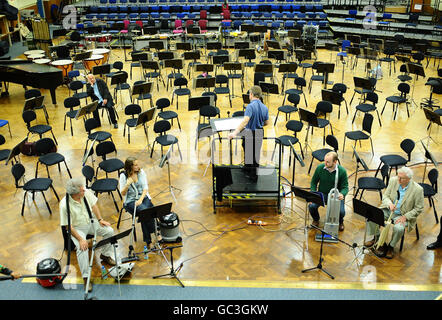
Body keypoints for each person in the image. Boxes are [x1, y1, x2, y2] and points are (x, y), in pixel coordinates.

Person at [59, 178, 117, 292]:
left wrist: (100, 219)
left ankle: (105, 255)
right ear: (75, 194)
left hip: (90, 222)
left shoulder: (85, 192)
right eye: (81, 190)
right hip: (76, 229)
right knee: (83, 249)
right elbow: (68, 227)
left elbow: (94, 206)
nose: (84, 190)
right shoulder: (64, 205)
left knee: (109, 231)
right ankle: (86, 278)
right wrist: (81, 239)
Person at [365, 167, 424, 259]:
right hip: (388, 210)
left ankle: (391, 247)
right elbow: (385, 196)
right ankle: (378, 240)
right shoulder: (393, 181)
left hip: (402, 215)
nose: (399, 180)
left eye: (402, 178)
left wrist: (406, 216)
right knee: (371, 217)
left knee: (399, 229)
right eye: (398, 176)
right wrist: (389, 204)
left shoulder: (418, 189)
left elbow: (419, 208)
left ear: (409, 179)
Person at [228, 85, 269, 181]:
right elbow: (266, 122)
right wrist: (258, 122)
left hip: (250, 132)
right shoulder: (264, 107)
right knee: (254, 153)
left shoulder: (250, 106)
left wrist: (234, 133)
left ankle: (253, 177)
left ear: (251, 94)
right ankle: (247, 167)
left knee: (251, 153)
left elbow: (245, 121)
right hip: (259, 132)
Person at [119, 157, 158, 250]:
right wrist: (127, 184)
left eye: (137, 164)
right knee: (145, 211)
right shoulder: (123, 176)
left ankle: (149, 239)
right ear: (130, 167)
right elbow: (122, 193)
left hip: (142, 197)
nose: (138, 166)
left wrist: (140, 200)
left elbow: (145, 188)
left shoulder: (141, 172)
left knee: (145, 212)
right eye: (135, 165)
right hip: (130, 201)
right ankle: (156, 232)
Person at [309, 151, 348, 231]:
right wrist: (313, 193)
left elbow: (345, 187)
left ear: (335, 162)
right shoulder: (320, 168)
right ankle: (316, 219)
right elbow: (313, 182)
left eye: (328, 162)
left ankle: (340, 222)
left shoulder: (342, 171)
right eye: (325, 161)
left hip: (336, 196)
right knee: (312, 206)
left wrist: (342, 194)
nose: (325, 163)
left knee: (341, 212)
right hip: (322, 194)